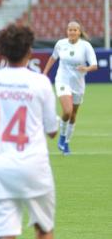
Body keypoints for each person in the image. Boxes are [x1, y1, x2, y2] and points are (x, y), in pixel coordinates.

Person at [0, 24, 58, 239]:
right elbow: (52, 130)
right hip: (34, 167)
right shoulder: (40, 82)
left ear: (1, 51)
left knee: (5, 234)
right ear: (29, 50)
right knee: (43, 229)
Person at [43, 21, 98, 155]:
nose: (72, 32)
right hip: (62, 80)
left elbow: (95, 65)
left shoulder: (85, 46)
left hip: (78, 84)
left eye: (75, 30)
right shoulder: (61, 44)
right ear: (67, 31)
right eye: (70, 30)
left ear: (79, 32)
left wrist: (85, 68)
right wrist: (44, 73)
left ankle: (66, 142)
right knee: (67, 111)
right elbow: (53, 58)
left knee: (73, 115)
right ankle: (61, 137)